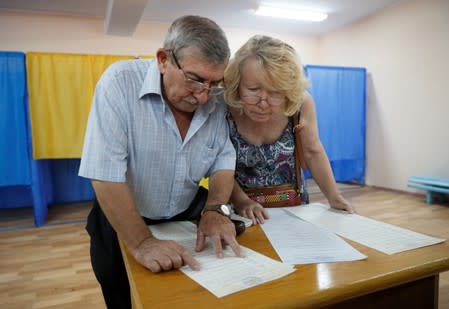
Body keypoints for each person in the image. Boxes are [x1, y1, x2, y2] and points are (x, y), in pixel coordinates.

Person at [79, 15, 243, 309]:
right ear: (163, 59)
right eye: (194, 79)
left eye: (214, 83)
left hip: (185, 212)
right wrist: (141, 243)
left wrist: (216, 207)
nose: (204, 96)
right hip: (123, 217)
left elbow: (222, 156)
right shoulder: (119, 83)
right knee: (124, 297)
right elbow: (105, 173)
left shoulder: (214, 99)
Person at [223, 35, 356, 225]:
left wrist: (334, 197)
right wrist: (241, 200)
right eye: (253, 89)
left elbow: (313, 152)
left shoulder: (301, 103)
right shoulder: (223, 107)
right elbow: (217, 164)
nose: (263, 103)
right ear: (237, 85)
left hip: (293, 208)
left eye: (276, 92)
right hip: (240, 212)